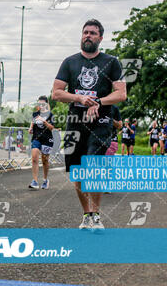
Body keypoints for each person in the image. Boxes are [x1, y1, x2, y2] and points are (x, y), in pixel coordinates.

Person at [51, 19, 126, 231]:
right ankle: (86, 215)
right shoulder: (70, 62)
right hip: (76, 121)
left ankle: (96, 215)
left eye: (93, 33)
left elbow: (121, 93)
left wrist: (99, 102)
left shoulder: (111, 62)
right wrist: (80, 99)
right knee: (77, 170)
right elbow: (56, 93)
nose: (88, 36)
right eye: (85, 32)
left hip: (101, 121)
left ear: (100, 38)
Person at [28, 96, 55, 190]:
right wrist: (30, 128)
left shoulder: (51, 115)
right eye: (39, 104)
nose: (41, 105)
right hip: (36, 138)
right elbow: (33, 122)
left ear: (46, 104)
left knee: (45, 160)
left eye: (43, 104)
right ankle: (35, 181)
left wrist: (44, 122)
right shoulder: (35, 114)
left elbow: (52, 128)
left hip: (47, 139)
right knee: (34, 158)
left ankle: (45, 180)